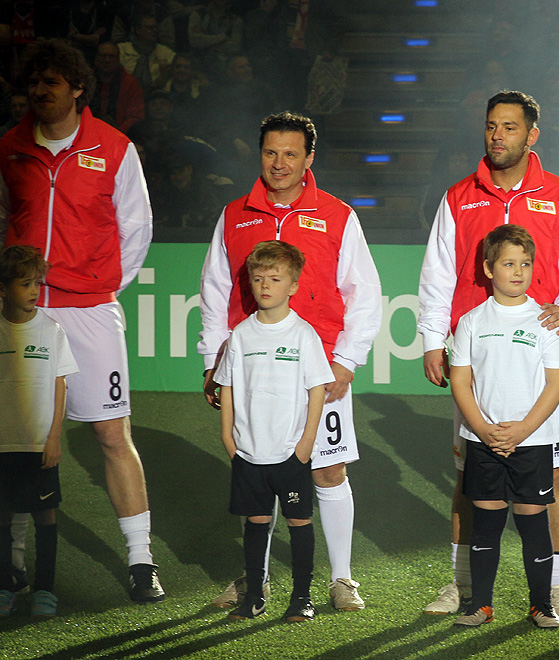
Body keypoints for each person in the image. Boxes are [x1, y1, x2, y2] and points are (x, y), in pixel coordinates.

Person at [417, 90, 559, 620]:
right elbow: (437, 276)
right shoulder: (458, 197)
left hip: (537, 357)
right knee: (469, 475)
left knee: (554, 474)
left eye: (510, 127)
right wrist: (433, 340)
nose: (498, 136)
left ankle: (557, 586)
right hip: (476, 357)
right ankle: (462, 583)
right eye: (491, 126)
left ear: (532, 135)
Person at [199, 111, 381, 612]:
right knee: (255, 467)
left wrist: (346, 359)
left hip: (320, 371)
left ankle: (341, 579)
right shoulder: (234, 215)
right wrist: (213, 361)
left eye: (291, 154)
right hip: (254, 370)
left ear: (308, 159)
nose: (279, 163)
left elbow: (364, 293)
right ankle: (254, 580)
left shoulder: (338, 215)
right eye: (270, 153)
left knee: (329, 471)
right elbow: (214, 291)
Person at [0, 38, 161, 603]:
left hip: (91, 311)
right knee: (16, 439)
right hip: (24, 312)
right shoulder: (10, 147)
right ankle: (13, 564)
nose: (39, 91)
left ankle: (141, 561)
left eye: (51, 82)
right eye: (33, 82)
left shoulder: (114, 148)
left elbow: (136, 227)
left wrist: (99, 283)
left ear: (77, 89)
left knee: (112, 435)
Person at [449, 224, 559, 629]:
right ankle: (481, 605)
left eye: (525, 264)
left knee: (533, 522)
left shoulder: (545, 321)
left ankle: (542, 605)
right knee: (486, 524)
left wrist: (523, 430)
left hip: (532, 441)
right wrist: (482, 430)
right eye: (508, 263)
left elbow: (557, 383)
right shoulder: (471, 321)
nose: (518, 271)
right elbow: (460, 381)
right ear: (488, 269)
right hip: (483, 440)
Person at [215, 240, 330, 622]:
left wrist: (306, 442)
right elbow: (227, 386)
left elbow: (317, 389)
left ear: (293, 286)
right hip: (249, 451)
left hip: (290, 451)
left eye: (275, 279)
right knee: (257, 522)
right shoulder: (241, 335)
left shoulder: (303, 334)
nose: (265, 285)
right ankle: (254, 597)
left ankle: (301, 598)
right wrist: (228, 438)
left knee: (299, 522)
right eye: (259, 278)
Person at [0, 245, 77, 618]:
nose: (34, 290)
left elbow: (60, 384)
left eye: (37, 283)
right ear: (3, 288)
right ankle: (6, 587)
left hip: (39, 444)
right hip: (3, 443)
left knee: (45, 515)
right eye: (25, 283)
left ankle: (45, 590)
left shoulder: (51, 329)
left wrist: (54, 437)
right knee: (3, 515)